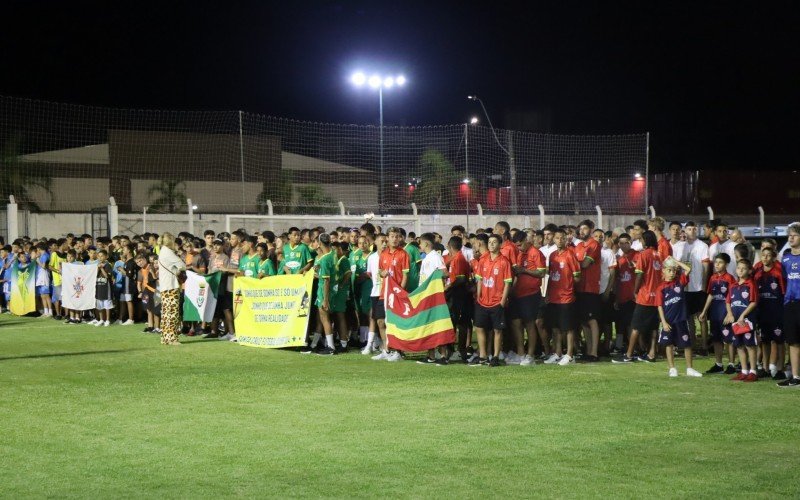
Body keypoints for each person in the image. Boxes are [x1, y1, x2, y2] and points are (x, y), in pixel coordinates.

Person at [613, 230, 663, 363]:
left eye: (641, 239)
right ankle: (651, 354)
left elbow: (639, 274)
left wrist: (635, 291)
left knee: (635, 326)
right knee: (653, 327)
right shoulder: (658, 254)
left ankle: (628, 355)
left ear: (645, 240)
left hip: (645, 296)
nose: (640, 241)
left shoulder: (643, 255)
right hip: (657, 296)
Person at [470, 234, 513, 367]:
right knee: (480, 327)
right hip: (483, 301)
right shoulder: (483, 260)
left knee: (497, 330)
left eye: (494, 242)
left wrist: (502, 301)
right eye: (489, 242)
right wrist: (478, 296)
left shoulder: (504, 262)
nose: (492, 245)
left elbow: (508, 283)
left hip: (496, 301)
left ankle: (495, 356)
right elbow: (479, 280)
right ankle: (482, 355)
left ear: (500, 245)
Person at [655, 257, 702, 377]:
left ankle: (690, 368)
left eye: (674, 271)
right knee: (669, 344)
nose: (672, 273)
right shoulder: (661, 288)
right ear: (663, 271)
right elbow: (659, 306)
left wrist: (675, 262)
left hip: (681, 319)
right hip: (669, 321)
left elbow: (688, 269)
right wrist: (664, 322)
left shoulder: (679, 282)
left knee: (686, 344)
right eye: (669, 270)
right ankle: (672, 368)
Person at [542, 228, 581, 366]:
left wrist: (567, 285)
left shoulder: (570, 254)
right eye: (557, 238)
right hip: (553, 297)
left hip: (566, 297)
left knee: (568, 327)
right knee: (555, 327)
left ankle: (570, 355)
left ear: (566, 239)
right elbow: (551, 276)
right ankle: (558, 353)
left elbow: (577, 276)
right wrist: (547, 293)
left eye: (562, 238)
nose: (560, 240)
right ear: (553, 239)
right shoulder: (552, 255)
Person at [372, 227, 410, 362]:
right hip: (384, 293)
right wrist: (382, 273)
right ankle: (386, 349)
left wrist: (401, 292)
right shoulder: (383, 254)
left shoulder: (403, 254)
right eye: (392, 236)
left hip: (396, 294)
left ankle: (398, 352)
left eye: (397, 236)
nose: (394, 239)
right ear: (387, 238)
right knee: (380, 321)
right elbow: (380, 271)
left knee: (395, 324)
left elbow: (406, 275)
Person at [510, 230, 547, 366]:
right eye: (517, 245)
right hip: (517, 293)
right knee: (516, 323)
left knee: (529, 324)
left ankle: (530, 355)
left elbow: (542, 272)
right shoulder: (519, 253)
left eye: (520, 245)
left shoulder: (535, 252)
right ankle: (521, 353)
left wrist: (525, 270)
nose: (518, 247)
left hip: (530, 294)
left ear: (526, 240)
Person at [699, 254, 738, 374]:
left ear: (726, 264)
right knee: (716, 338)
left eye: (720, 262)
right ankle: (718, 364)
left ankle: (731, 364)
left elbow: (732, 297)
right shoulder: (713, 278)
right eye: (716, 262)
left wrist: (729, 313)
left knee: (728, 339)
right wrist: (704, 311)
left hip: (725, 311)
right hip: (715, 311)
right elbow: (711, 294)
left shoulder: (730, 278)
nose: (717, 264)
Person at [416, 233, 449, 365]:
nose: (419, 245)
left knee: (437, 326)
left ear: (426, 244)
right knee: (428, 325)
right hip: (425, 296)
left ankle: (443, 356)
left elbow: (445, 273)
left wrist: (434, 281)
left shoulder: (435, 257)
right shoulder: (427, 257)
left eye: (421, 243)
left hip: (434, 297)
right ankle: (430, 356)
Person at [303, 233, 338, 355]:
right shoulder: (332, 255)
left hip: (324, 291)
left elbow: (327, 280)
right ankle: (318, 345)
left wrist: (325, 299)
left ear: (320, 243)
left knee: (325, 319)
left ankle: (331, 347)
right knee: (322, 319)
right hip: (326, 290)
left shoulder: (324, 259)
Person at [754, 246, 786, 379]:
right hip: (762, 311)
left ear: (773, 257)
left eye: (768, 255)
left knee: (779, 341)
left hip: (777, 311)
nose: (765, 257)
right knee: (765, 341)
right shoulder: (757, 273)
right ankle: (765, 368)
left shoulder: (778, 272)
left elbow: (784, 292)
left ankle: (780, 369)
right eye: (763, 255)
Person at [725, 259, 759, 382]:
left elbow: (754, 302)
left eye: (743, 268)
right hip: (735, 321)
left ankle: (753, 371)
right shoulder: (733, 285)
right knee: (739, 345)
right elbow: (728, 301)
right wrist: (729, 314)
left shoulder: (751, 284)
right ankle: (743, 371)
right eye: (738, 268)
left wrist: (743, 316)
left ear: (749, 270)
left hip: (747, 321)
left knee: (750, 345)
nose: (740, 270)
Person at [679, 222, 710, 355]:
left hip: (697, 287)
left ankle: (704, 346)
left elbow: (705, 266)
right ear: (685, 231)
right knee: (689, 317)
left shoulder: (702, 246)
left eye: (694, 229)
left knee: (701, 317)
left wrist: (703, 284)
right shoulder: (682, 246)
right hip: (686, 287)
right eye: (689, 229)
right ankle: (692, 344)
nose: (692, 231)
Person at [575, 219, 602, 361]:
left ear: (591, 229)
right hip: (579, 287)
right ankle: (589, 350)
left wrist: (573, 264)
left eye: (585, 228)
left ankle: (594, 352)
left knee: (591, 320)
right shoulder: (578, 246)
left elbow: (585, 264)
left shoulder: (594, 244)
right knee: (584, 320)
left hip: (590, 287)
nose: (582, 231)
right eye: (580, 228)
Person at [778, 222, 800, 388]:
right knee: (792, 341)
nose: (791, 238)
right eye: (789, 235)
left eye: (795, 235)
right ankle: (795, 376)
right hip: (790, 304)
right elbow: (784, 281)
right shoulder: (785, 258)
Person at [445, 235, 472, 362]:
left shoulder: (459, 259)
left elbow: (461, 278)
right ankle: (453, 350)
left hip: (459, 296)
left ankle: (460, 351)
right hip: (456, 295)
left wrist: (449, 286)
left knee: (460, 323)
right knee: (453, 322)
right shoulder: (456, 258)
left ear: (449, 246)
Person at [156, 232, 186, 346]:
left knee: (166, 314)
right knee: (173, 313)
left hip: (165, 286)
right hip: (171, 286)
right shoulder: (168, 252)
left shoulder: (162, 251)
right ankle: (172, 338)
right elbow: (182, 265)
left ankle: (165, 338)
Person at [613, 234, 638, 353]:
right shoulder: (619, 258)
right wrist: (617, 298)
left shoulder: (637, 255)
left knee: (631, 324)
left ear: (630, 242)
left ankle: (633, 348)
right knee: (621, 323)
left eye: (625, 243)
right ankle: (621, 346)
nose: (623, 245)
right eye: (621, 243)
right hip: (622, 296)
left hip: (633, 297)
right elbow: (617, 279)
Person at [364, 233, 387, 356]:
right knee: (373, 317)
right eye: (382, 241)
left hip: (387, 293)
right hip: (375, 292)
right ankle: (370, 344)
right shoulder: (371, 258)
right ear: (376, 242)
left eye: (385, 241)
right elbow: (370, 273)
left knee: (383, 321)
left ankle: (387, 347)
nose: (384, 243)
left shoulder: (389, 256)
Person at [92, 249, 114, 327]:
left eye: (102, 256)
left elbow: (107, 276)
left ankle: (107, 320)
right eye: (99, 256)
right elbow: (94, 275)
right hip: (99, 288)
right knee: (99, 305)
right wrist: (98, 268)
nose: (100, 258)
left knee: (107, 305)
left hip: (106, 288)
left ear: (106, 256)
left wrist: (101, 268)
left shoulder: (108, 265)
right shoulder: (97, 265)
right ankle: (101, 320)